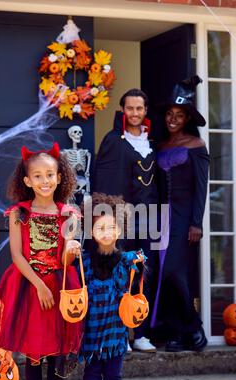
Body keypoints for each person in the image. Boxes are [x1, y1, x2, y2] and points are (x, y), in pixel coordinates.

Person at [0, 142, 83, 380]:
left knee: (59, 350)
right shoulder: (19, 213)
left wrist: (71, 250)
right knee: (34, 350)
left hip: (60, 287)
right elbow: (17, 256)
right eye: (37, 176)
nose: (44, 181)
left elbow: (65, 258)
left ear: (60, 176)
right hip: (30, 287)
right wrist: (38, 285)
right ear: (26, 180)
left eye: (49, 174)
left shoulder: (69, 214)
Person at [66, 193, 144, 380]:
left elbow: (136, 283)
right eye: (101, 227)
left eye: (112, 227)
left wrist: (140, 265)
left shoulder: (126, 260)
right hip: (91, 328)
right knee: (92, 372)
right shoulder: (85, 261)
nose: (107, 232)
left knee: (114, 372)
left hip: (114, 329)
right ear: (91, 231)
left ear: (120, 230)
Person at [93, 89, 157, 352]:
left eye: (139, 108)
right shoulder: (112, 141)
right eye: (130, 108)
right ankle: (122, 334)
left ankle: (140, 333)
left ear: (145, 111)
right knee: (119, 272)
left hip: (150, 216)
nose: (134, 113)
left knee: (142, 272)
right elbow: (104, 179)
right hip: (121, 217)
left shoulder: (153, 141)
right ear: (122, 109)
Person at [151, 76, 209, 352]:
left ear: (187, 118)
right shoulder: (159, 147)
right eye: (170, 114)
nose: (173, 119)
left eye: (179, 115)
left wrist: (197, 222)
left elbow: (201, 187)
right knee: (162, 274)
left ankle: (193, 325)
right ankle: (175, 331)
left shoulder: (196, 147)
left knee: (177, 272)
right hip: (161, 217)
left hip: (186, 217)